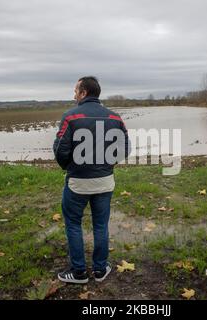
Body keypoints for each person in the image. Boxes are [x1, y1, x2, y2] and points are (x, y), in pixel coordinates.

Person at [53, 76, 130, 284]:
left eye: (76, 90)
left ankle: (78, 272)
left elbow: (60, 150)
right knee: (100, 225)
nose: (74, 94)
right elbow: (125, 149)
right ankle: (99, 269)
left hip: (78, 182)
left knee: (73, 224)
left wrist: (70, 167)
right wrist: (108, 165)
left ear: (84, 92)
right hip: (105, 181)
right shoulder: (115, 118)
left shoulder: (70, 116)